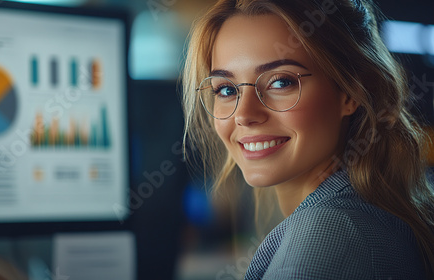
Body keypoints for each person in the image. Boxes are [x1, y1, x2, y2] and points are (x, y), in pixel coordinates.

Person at [181, 0, 434, 279]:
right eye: (226, 89)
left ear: (352, 92)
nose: (244, 115)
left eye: (281, 82)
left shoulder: (329, 232)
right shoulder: (362, 214)